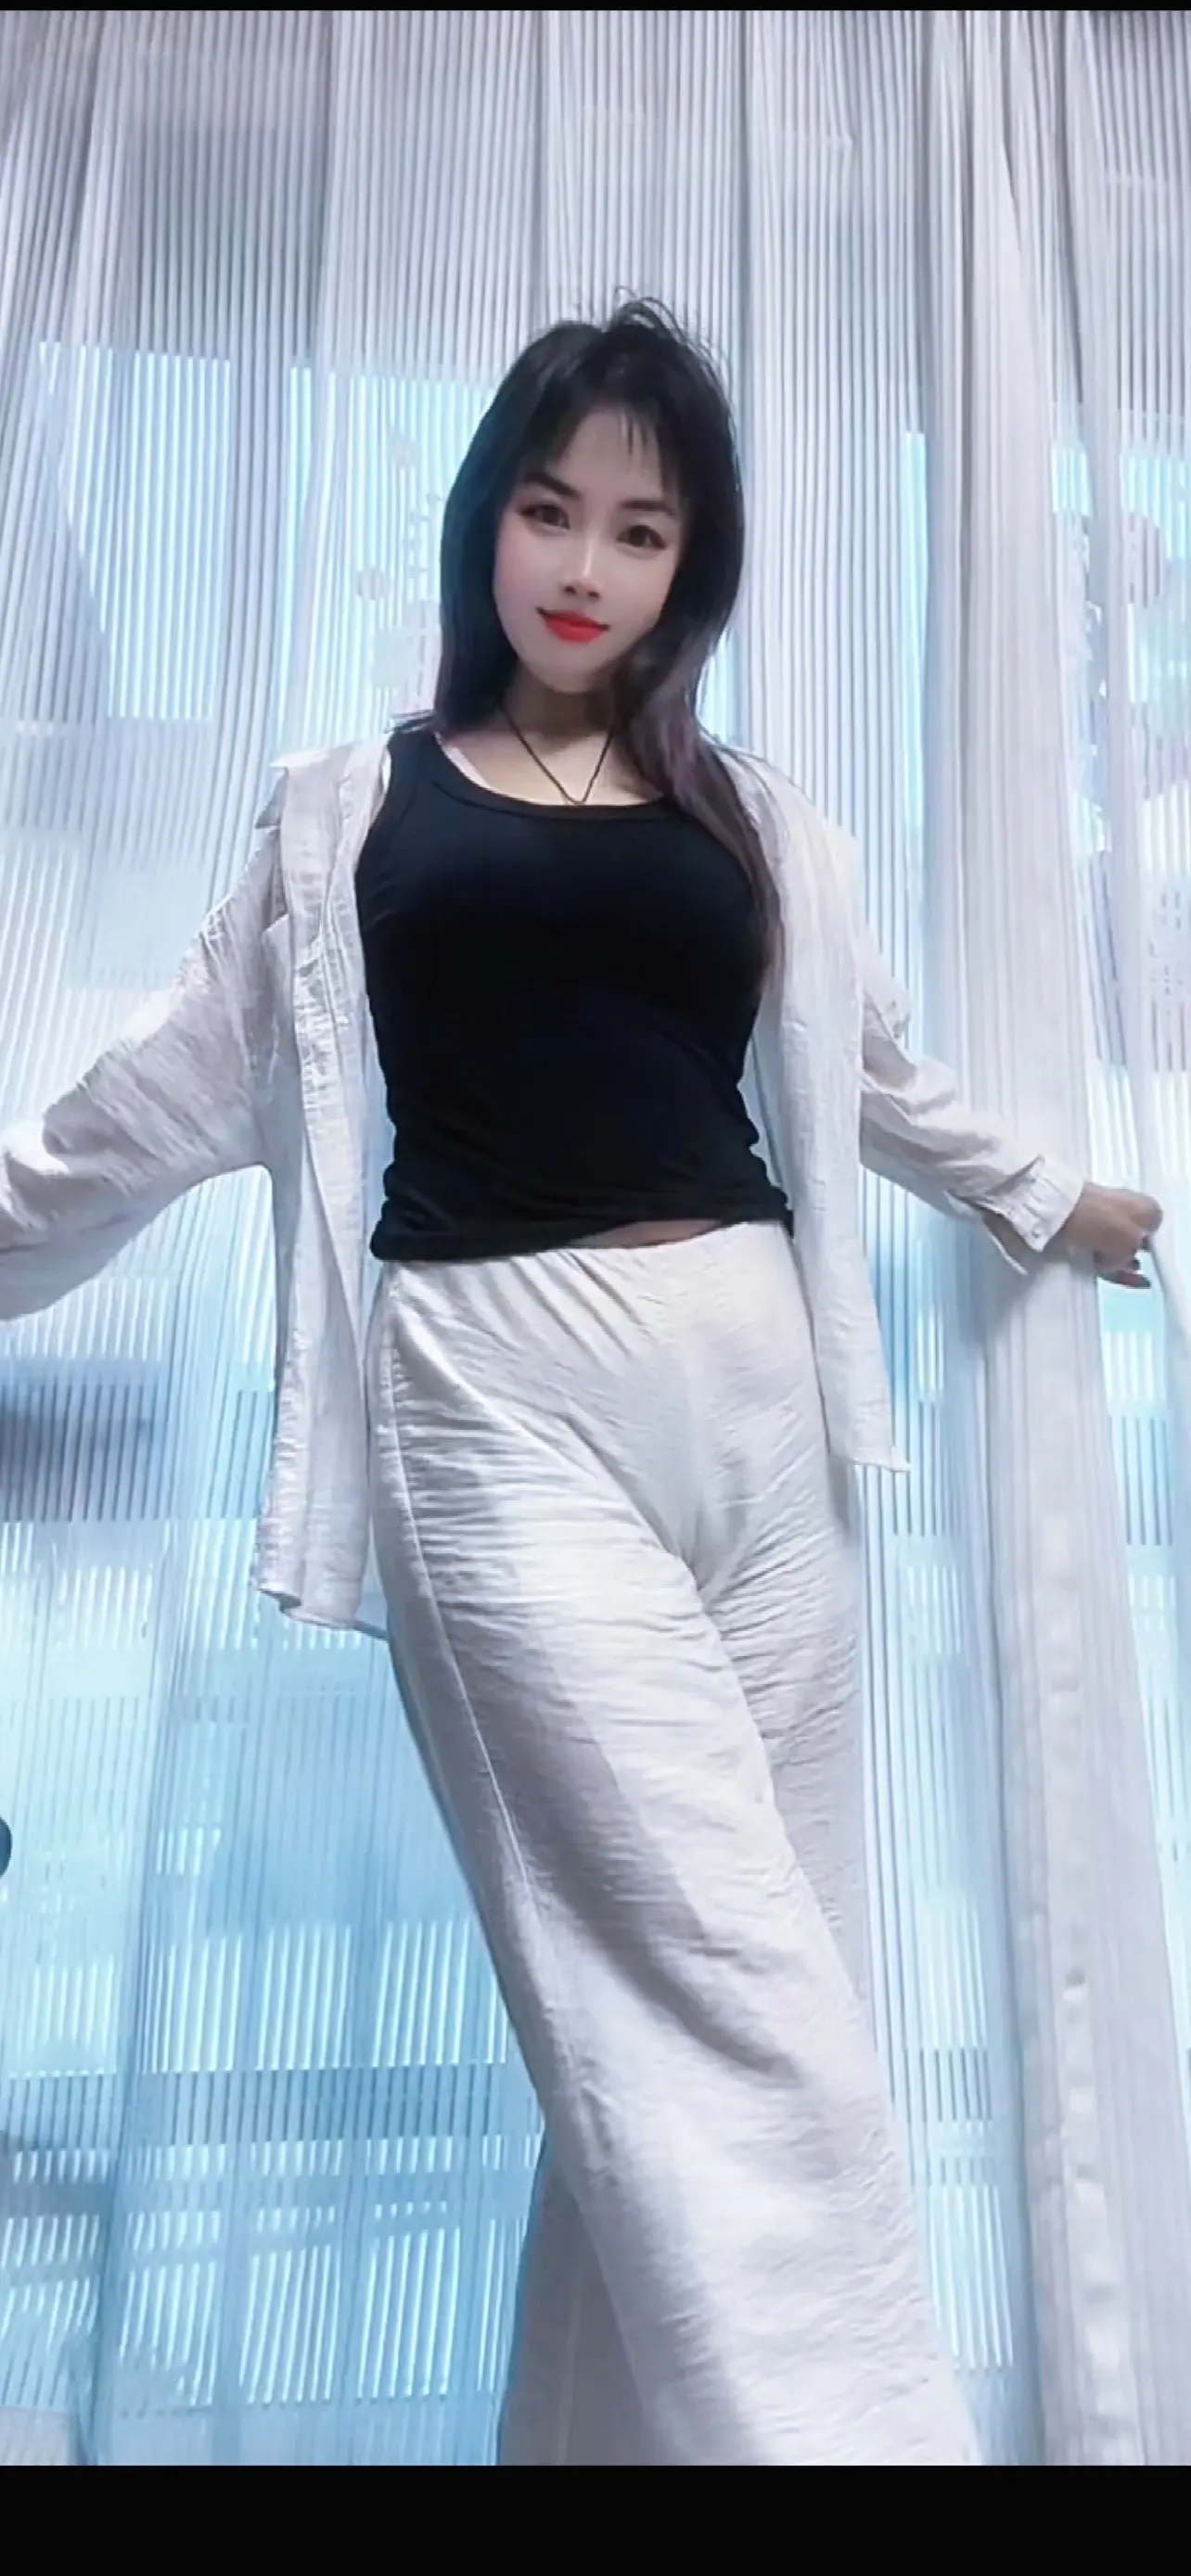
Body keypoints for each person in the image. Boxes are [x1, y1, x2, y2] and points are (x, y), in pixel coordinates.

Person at [0, 303, 1160, 2468]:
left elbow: (869, 1077)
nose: (585, 564)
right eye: (552, 508)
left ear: (690, 566)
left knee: (730, 2019)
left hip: (765, 1427)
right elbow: (145, 1104)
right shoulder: (351, 813)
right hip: (498, 1415)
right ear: (487, 519)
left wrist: (1043, 1196)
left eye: (642, 528)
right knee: (741, 2037)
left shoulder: (753, 821)